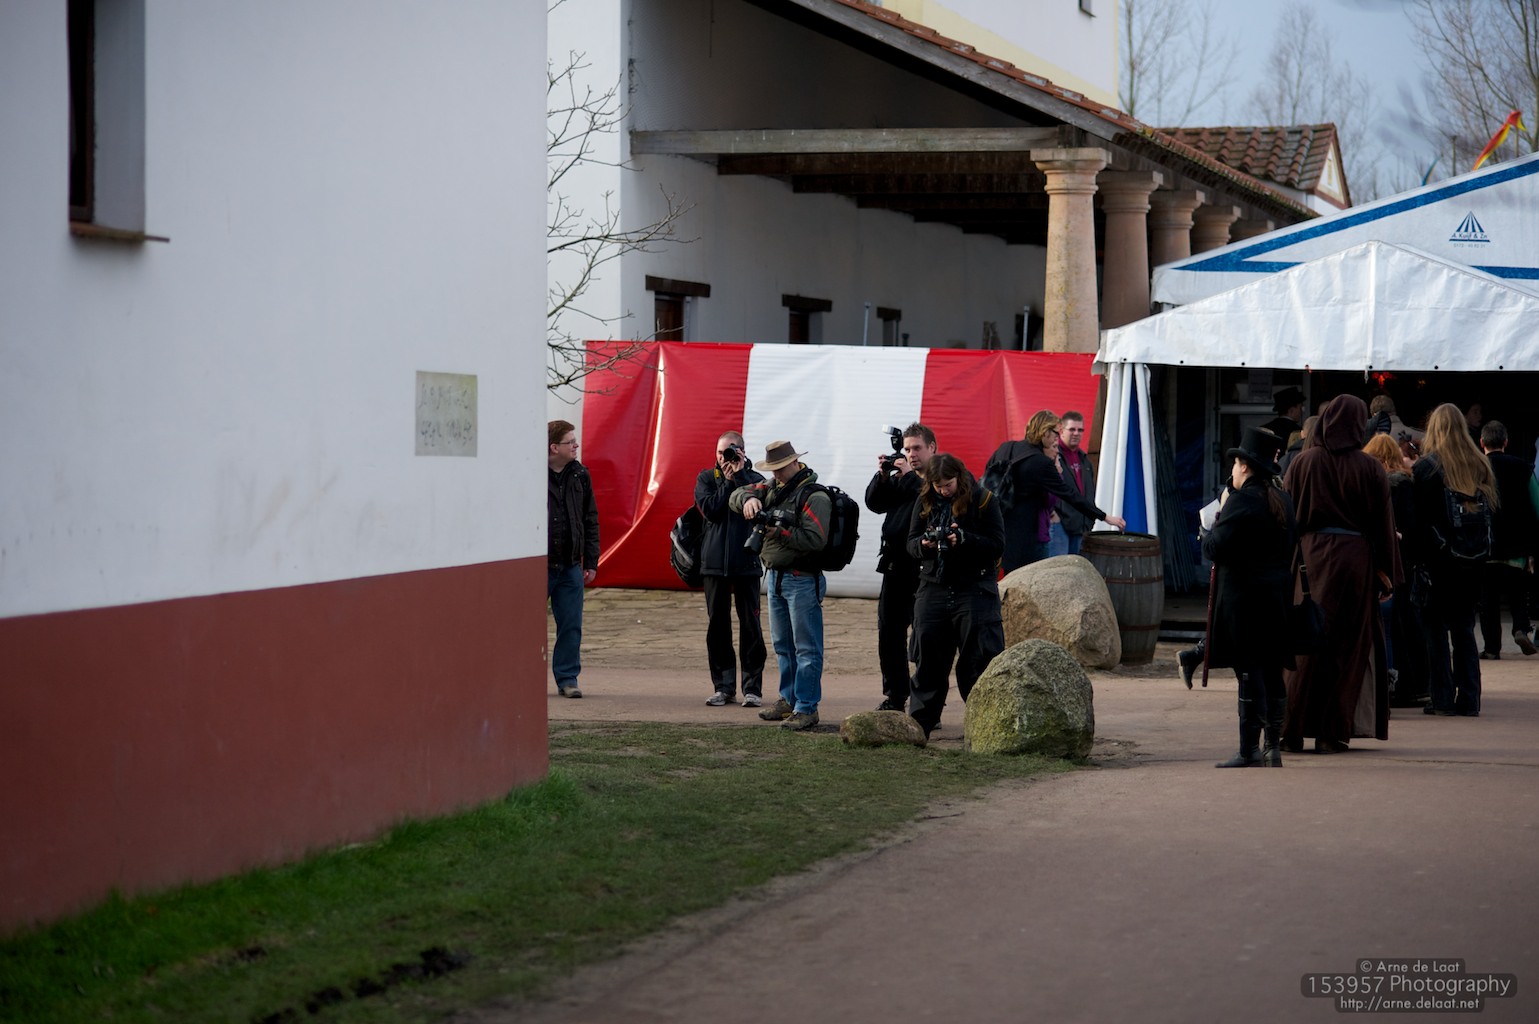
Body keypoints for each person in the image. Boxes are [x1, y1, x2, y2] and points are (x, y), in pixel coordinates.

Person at [1280, 395, 1401, 753]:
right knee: (1345, 649)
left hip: (1310, 562)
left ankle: (1289, 730)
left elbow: (1286, 517)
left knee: (1302, 645)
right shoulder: (1370, 468)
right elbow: (1383, 525)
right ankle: (1330, 735)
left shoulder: (1303, 462)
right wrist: (1386, 573)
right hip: (1354, 565)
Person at [1202, 428, 1296, 767]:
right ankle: (1272, 746)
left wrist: (1209, 526)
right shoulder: (1283, 500)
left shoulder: (1242, 501)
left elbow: (1214, 548)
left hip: (1244, 602)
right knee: (1272, 671)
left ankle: (1248, 749)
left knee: (1249, 672)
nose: (1233, 470)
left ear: (1244, 466)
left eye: (1236, 464)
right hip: (1276, 598)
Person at [730, 441, 831, 732]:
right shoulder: (772, 488)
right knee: (783, 646)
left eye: (779, 469)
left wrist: (779, 532)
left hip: (802, 579)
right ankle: (789, 700)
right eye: (772, 469)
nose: (775, 474)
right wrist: (748, 501)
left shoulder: (815, 496)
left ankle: (806, 707)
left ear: (794, 463)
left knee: (807, 648)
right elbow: (735, 495)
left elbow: (816, 540)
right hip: (775, 577)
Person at [905, 453, 1006, 738]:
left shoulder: (984, 500)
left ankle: (987, 729)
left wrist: (964, 539)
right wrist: (924, 544)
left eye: (947, 485)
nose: (943, 491)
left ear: (958, 478)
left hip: (974, 588)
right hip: (933, 586)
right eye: (937, 486)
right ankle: (919, 728)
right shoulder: (925, 500)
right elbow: (910, 543)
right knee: (929, 661)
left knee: (978, 660)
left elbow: (997, 545)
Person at [1412, 404, 1501, 716]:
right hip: (1472, 562)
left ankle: (1442, 697)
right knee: (1464, 629)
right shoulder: (1479, 463)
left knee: (1435, 631)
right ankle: (1470, 698)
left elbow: (1419, 523)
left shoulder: (1427, 468)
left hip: (1438, 561)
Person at [864, 422, 937, 712]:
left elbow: (933, 503)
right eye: (907, 449)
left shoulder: (941, 477)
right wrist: (882, 477)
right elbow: (874, 503)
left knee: (925, 637)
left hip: (926, 569)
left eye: (917, 448)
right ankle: (895, 696)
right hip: (895, 566)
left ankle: (927, 703)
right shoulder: (901, 479)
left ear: (932, 448)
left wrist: (908, 478)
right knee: (889, 633)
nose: (911, 454)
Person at [997, 411, 1125, 573]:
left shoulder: (1008, 447)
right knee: (1042, 578)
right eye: (1056, 433)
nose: (1057, 438)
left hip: (1003, 528)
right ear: (1045, 432)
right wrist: (1104, 516)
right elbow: (1069, 494)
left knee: (1010, 579)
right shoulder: (1041, 462)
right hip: (1029, 535)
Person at [695, 431, 768, 707]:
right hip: (714, 565)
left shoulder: (756, 479)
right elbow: (711, 510)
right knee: (718, 626)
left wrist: (739, 476)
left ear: (742, 452)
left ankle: (752, 688)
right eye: (719, 452)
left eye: (729, 451)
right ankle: (723, 687)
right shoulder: (706, 478)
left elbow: (757, 508)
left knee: (751, 626)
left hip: (746, 563)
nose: (723, 458)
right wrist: (726, 481)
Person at [1363, 433, 1428, 707]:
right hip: (1404, 565)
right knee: (1406, 625)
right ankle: (1413, 685)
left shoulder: (1376, 486)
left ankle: (1392, 686)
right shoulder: (1406, 484)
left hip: (1384, 564)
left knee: (1389, 628)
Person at [1477, 421, 1538, 658]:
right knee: (1518, 593)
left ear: (1481, 443)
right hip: (1517, 546)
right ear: (1506, 441)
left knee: (1488, 600)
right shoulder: (1523, 468)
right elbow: (1537, 504)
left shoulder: (1475, 468)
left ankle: (1492, 649)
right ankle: (1520, 628)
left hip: (1485, 546)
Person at [548, 419, 599, 698]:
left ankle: (568, 679)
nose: (576, 445)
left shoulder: (580, 475)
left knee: (571, 625)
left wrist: (590, 562)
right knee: (526, 626)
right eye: (570, 442)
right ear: (554, 447)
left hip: (570, 565)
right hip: (540, 566)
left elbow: (590, 519)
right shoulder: (532, 473)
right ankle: (524, 679)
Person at [1046, 411, 1096, 557]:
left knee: (1075, 569)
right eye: (1072, 429)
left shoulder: (1085, 460)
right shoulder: (1052, 455)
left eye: (1080, 430)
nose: (1076, 433)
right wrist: (1052, 512)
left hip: (1081, 526)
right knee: (1058, 569)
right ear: (1061, 431)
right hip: (1059, 526)